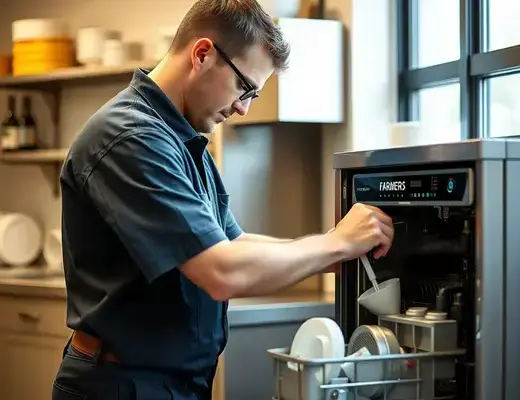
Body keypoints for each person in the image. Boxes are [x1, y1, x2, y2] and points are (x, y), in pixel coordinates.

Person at [52, 0, 395, 399]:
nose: (243, 108)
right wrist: (336, 242)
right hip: (120, 384)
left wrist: (333, 256)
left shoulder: (181, 139)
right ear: (202, 54)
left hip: (166, 381)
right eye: (244, 87)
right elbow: (222, 272)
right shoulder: (131, 137)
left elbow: (232, 243)